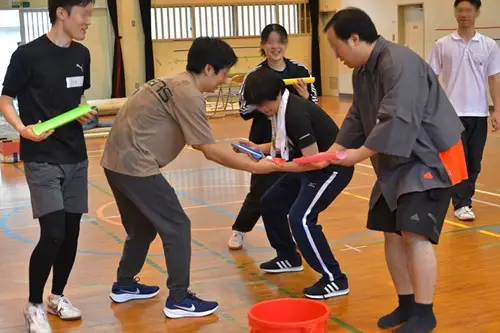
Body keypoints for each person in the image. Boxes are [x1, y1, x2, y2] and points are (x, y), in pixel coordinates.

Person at [100, 37, 280, 319]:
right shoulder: (190, 94)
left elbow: (205, 140)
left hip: (114, 162)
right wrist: (256, 168)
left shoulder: (173, 81)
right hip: (136, 165)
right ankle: (180, 299)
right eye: (224, 72)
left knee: (142, 228)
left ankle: (124, 284)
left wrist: (234, 145)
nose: (224, 79)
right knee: (177, 226)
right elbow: (207, 150)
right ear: (209, 69)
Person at [323, 7, 468, 333]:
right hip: (396, 162)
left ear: (355, 38)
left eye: (337, 47)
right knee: (391, 232)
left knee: (414, 235)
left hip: (429, 158)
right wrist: (333, 151)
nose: (337, 55)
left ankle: (424, 313)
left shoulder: (399, 63)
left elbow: (397, 119)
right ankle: (406, 304)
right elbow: (358, 117)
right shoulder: (362, 73)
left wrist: (357, 154)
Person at [0, 1, 96, 332]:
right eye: (84, 14)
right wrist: (21, 129)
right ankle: (34, 305)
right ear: (62, 13)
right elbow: (4, 99)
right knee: (53, 233)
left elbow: (77, 100)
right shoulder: (27, 55)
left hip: (76, 156)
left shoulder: (81, 55)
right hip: (41, 156)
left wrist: (83, 112)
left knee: (71, 233)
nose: (88, 21)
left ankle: (57, 297)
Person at [238, 67, 353, 299]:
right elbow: (285, 146)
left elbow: (315, 163)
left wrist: (273, 165)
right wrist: (257, 148)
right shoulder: (280, 110)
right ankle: (288, 256)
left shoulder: (295, 114)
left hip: (331, 170)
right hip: (310, 166)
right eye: (257, 106)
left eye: (263, 104)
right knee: (270, 201)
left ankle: (334, 278)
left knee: (300, 218)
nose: (262, 110)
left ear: (278, 93)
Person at [228, 23, 319, 250]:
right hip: (264, 139)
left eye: (280, 41)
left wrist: (305, 97)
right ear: (263, 45)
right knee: (260, 188)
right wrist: (264, 103)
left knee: (297, 186)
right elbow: (243, 111)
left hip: (295, 138)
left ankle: (295, 233)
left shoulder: (299, 71)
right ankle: (240, 229)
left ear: (286, 44)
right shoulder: (255, 75)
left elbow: (314, 107)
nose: (275, 47)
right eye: (270, 42)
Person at [427, 0, 500, 221]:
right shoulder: (442, 44)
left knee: (474, 161)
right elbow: (431, 77)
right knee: (456, 160)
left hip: (478, 113)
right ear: (455, 13)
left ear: (477, 13)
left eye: (468, 10)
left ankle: (463, 199)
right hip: (451, 114)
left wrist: (497, 110)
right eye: (460, 10)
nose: (464, 14)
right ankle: (461, 203)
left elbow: (494, 78)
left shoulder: (488, 45)